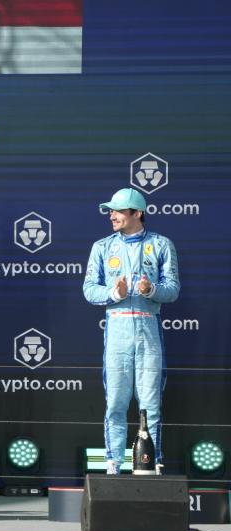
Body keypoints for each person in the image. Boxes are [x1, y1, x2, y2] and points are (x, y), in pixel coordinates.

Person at [83, 188, 179, 475]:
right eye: (110, 210)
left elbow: (173, 289)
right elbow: (89, 290)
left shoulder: (162, 244)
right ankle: (113, 465)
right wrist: (115, 292)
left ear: (137, 213)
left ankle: (153, 463)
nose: (111, 215)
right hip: (118, 326)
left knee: (150, 403)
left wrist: (152, 290)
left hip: (148, 325)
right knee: (116, 401)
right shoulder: (102, 246)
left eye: (117, 211)